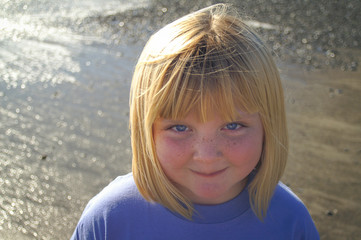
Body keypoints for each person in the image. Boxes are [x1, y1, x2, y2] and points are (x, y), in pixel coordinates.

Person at [71, 4, 319, 239]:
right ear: (145, 132)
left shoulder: (290, 221)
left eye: (232, 126)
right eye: (180, 128)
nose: (207, 155)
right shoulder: (110, 219)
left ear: (268, 126)